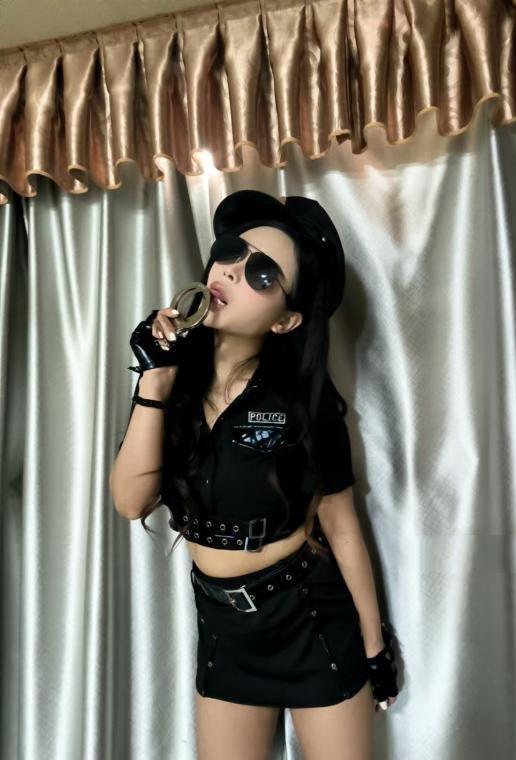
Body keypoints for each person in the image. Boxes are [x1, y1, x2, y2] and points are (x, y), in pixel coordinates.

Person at [110, 190, 398, 759]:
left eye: (262, 274)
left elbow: (342, 527)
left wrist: (375, 650)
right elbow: (130, 502)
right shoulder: (174, 385)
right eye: (230, 252)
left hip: (309, 619)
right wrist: (154, 381)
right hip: (224, 630)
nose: (231, 271)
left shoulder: (304, 403)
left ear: (287, 320)